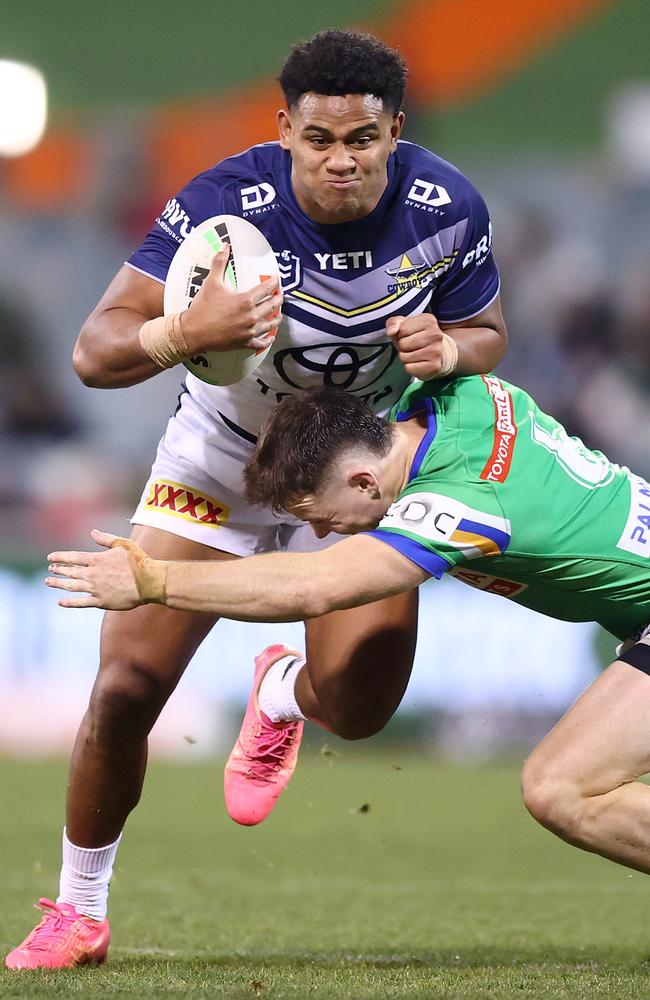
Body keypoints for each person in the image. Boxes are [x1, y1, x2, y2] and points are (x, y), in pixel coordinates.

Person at [5, 29, 507, 970]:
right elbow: (94, 350)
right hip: (224, 460)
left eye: (362, 139)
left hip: (360, 470)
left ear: (395, 131)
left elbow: (486, 332)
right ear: (284, 129)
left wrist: (451, 350)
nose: (341, 160)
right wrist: (180, 330)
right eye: (318, 139)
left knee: (358, 711)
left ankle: (281, 690)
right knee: (124, 686)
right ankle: (79, 910)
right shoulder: (223, 205)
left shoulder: (449, 209)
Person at [45, 376, 650, 886]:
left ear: (363, 481)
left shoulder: (460, 504)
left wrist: (152, 582)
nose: (332, 532)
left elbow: (315, 586)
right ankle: (283, 691)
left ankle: (280, 690)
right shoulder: (458, 396)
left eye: (326, 518)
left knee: (562, 789)